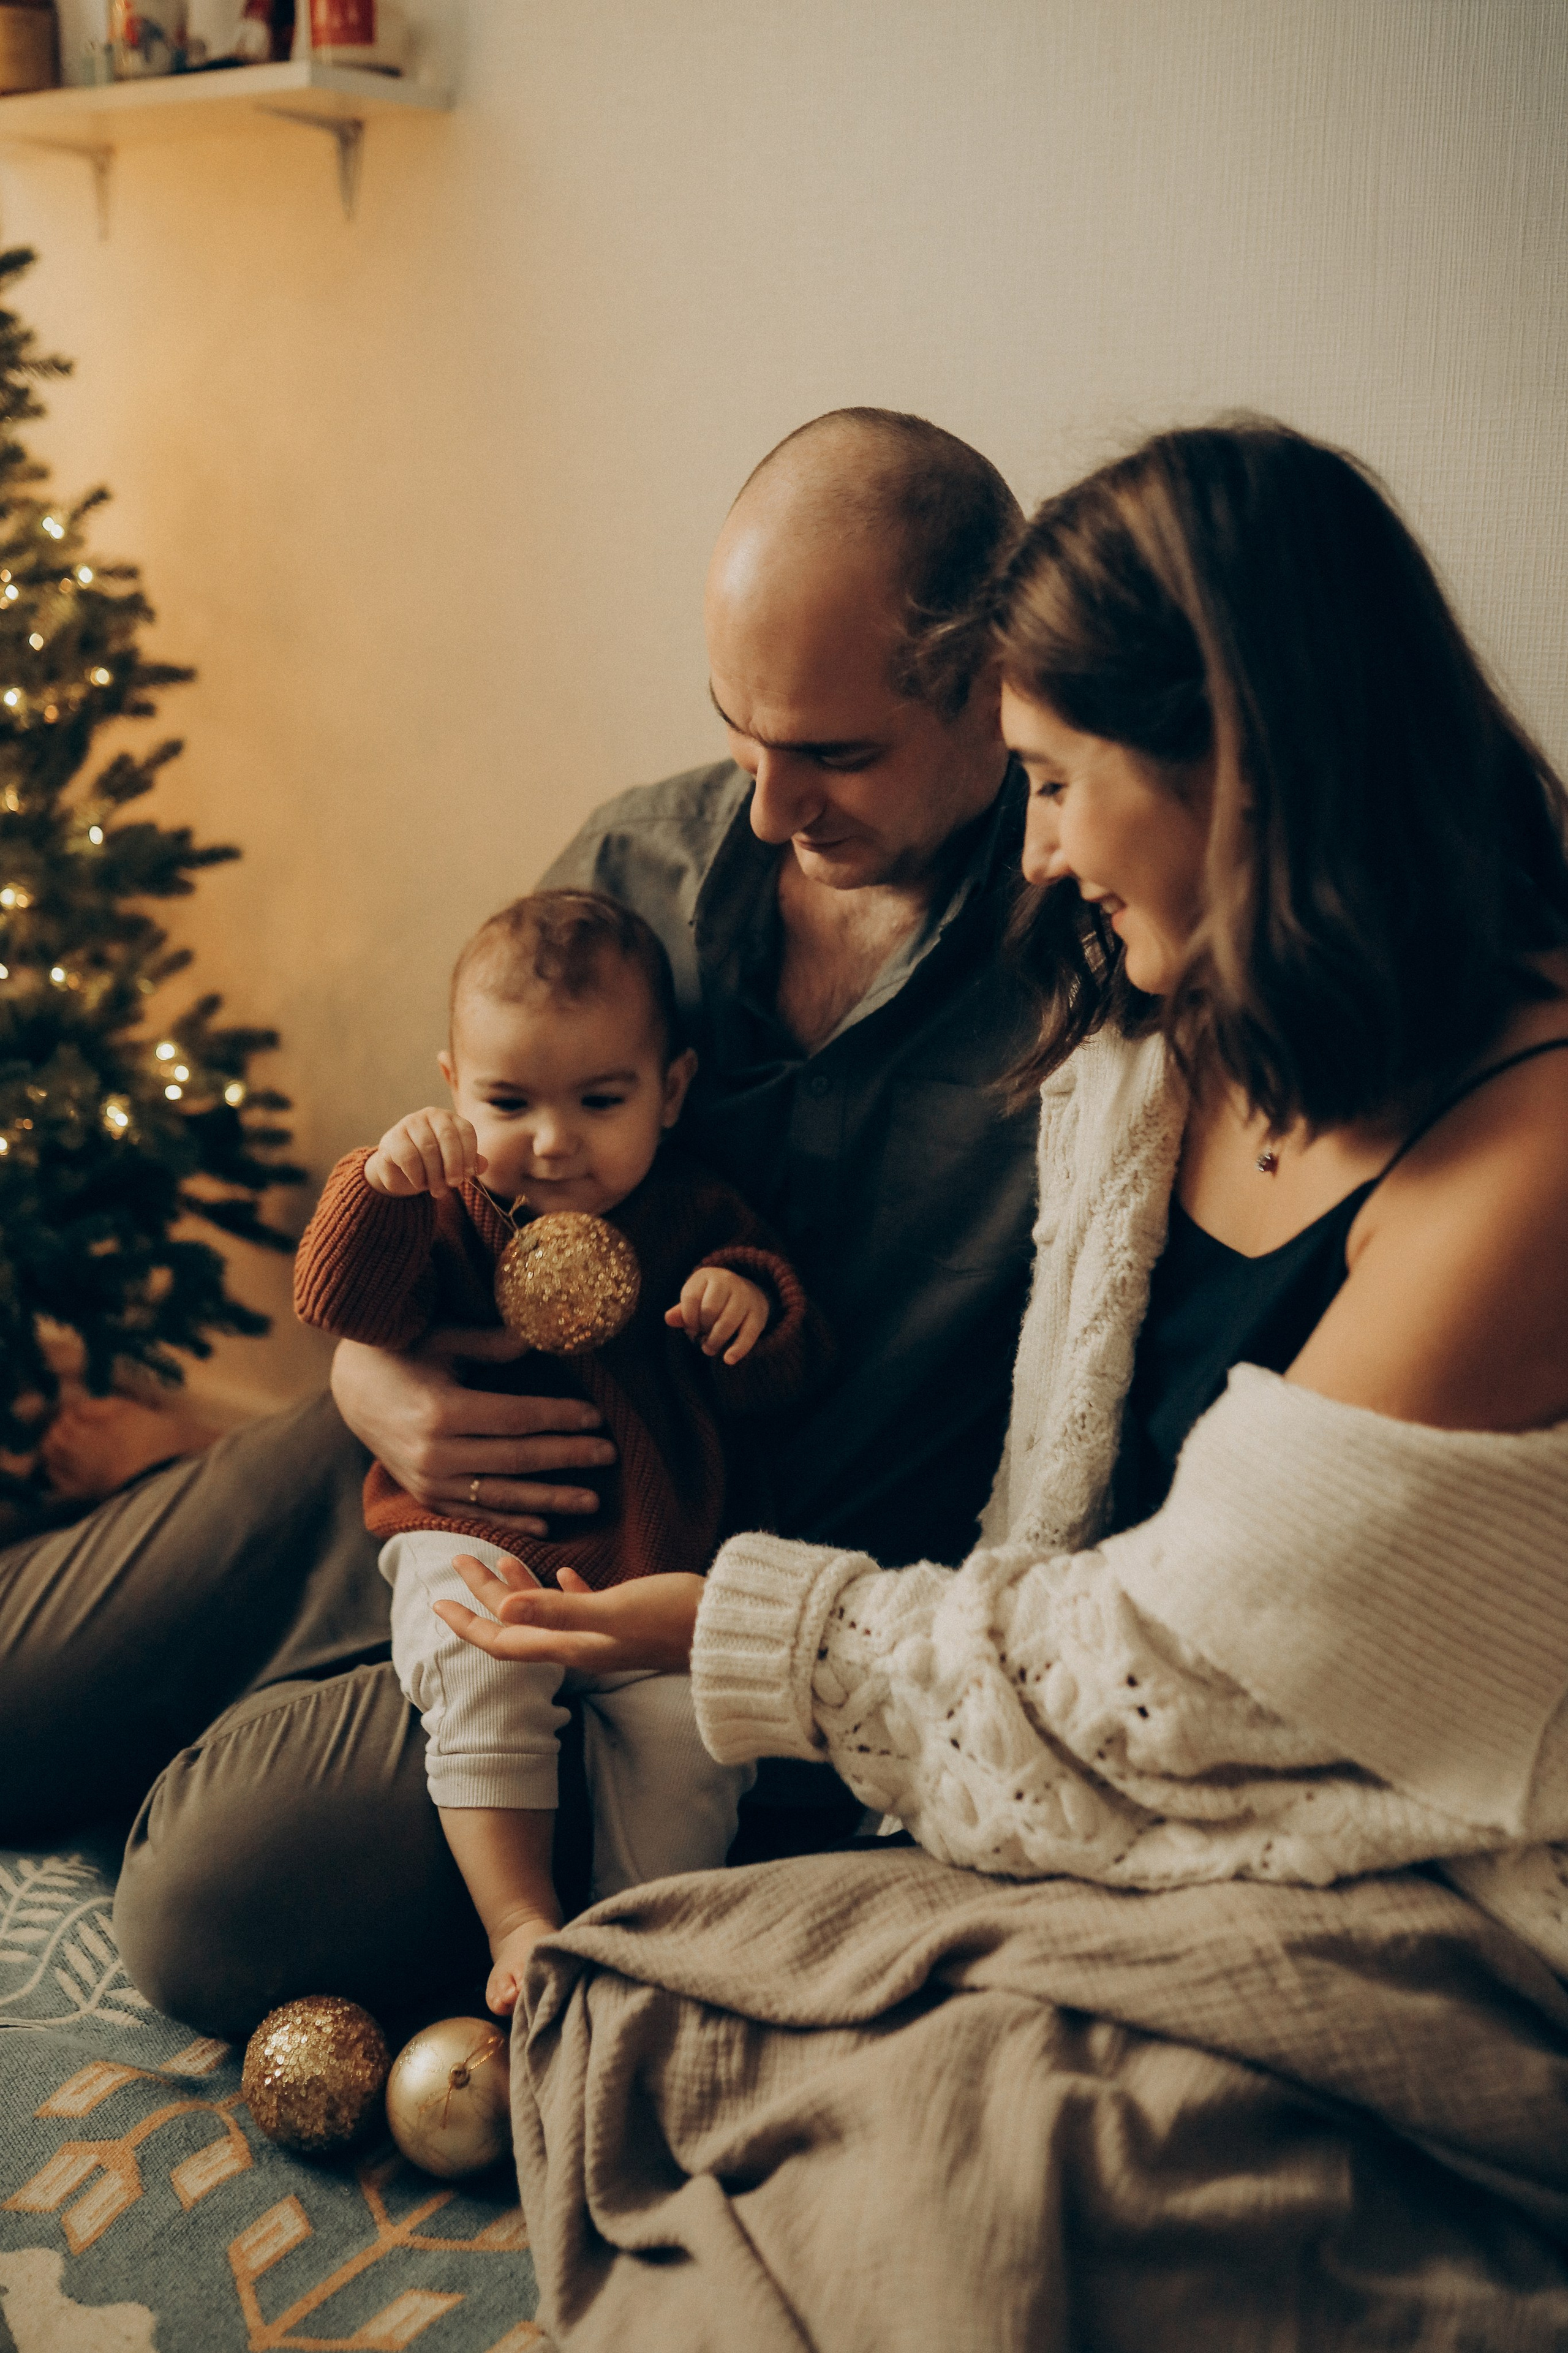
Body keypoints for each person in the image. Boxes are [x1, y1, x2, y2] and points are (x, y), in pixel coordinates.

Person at [442, 418, 1568, 1964]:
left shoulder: (1520, 1149)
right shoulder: (1158, 1038)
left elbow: (1188, 1673)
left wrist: (751, 1625)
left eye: (1048, 781)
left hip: (1360, 1842)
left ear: (1232, 769)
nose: (1032, 853)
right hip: (964, 1709)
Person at [0, 407, 1039, 2038]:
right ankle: (230, 1609)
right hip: (396, 1457)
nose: (771, 809)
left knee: (207, 1911)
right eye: (740, 733)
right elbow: (455, 1172)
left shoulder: (1090, 972)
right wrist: (363, 1381)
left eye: (835, 755)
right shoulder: (645, 855)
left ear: (998, 683)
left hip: (653, 1603)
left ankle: (298, 1703)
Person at [293, 888, 829, 2013]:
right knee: (472, 1664)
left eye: (600, 1099)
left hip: (649, 1562)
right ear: (452, 1087)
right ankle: (520, 1919)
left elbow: (791, 1372)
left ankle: (651, 1949)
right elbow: (342, 1302)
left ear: (671, 1091)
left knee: (692, 1738)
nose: (551, 1141)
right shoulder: (444, 1205)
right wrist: (378, 1183)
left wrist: (747, 1308)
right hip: (473, 1539)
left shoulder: (694, 1214)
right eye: (508, 1100)